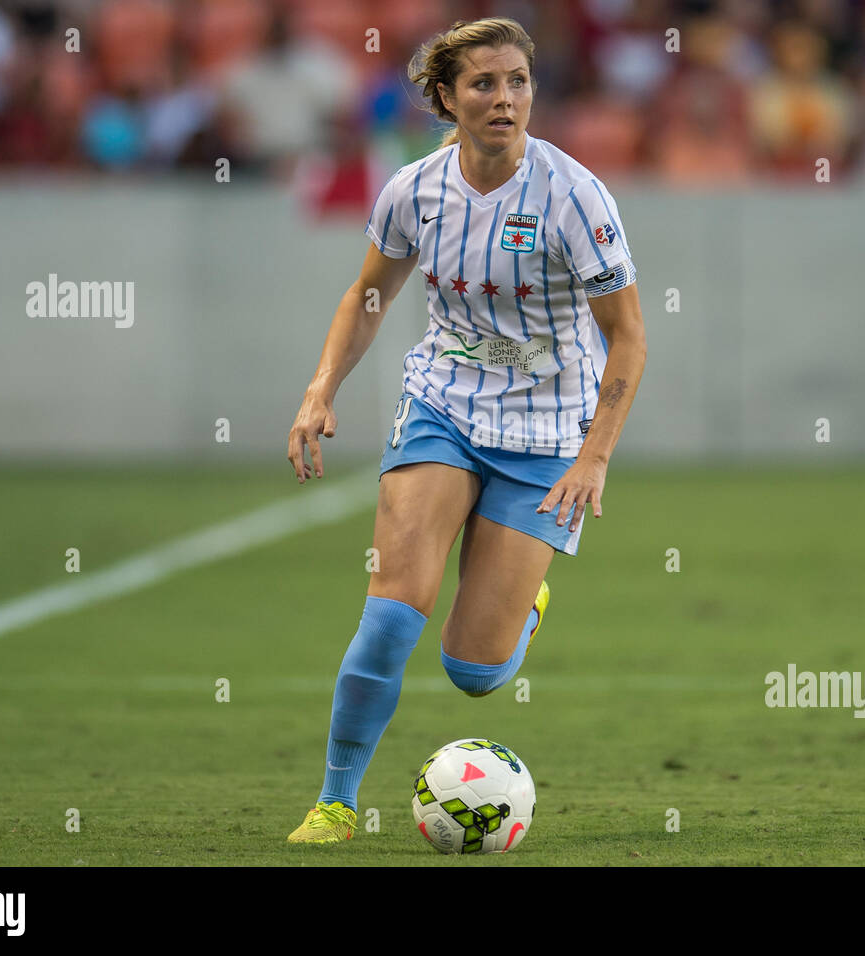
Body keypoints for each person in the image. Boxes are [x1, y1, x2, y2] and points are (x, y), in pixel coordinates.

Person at [284, 17, 647, 845]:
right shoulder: (413, 189)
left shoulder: (574, 196)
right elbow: (369, 293)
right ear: (445, 98)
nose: (505, 99)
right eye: (484, 84)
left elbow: (627, 334)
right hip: (444, 407)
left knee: (475, 672)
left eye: (518, 81)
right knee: (389, 612)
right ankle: (336, 802)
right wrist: (320, 389)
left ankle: (523, 609)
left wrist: (595, 458)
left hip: (550, 436)